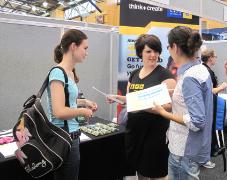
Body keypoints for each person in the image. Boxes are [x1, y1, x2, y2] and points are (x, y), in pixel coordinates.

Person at [108, 34, 176, 180]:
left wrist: (141, 106)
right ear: (140, 53)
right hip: (135, 130)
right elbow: (131, 99)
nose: (153, 55)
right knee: (140, 170)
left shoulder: (165, 75)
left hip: (155, 133)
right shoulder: (134, 74)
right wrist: (119, 98)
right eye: (148, 51)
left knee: (157, 172)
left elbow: (168, 107)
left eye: (156, 51)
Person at [152, 26, 213, 180]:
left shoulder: (190, 77)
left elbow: (197, 121)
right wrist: (174, 93)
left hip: (183, 149)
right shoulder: (199, 69)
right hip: (191, 147)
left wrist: (164, 113)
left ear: (175, 47)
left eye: (168, 46)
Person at [47, 29, 97, 180]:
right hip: (64, 138)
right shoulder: (57, 73)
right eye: (85, 48)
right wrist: (83, 111)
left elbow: (67, 100)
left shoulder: (68, 72)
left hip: (71, 137)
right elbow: (59, 111)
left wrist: (84, 102)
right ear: (74, 46)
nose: (87, 53)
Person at [201, 48, 227, 167]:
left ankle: (209, 151)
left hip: (208, 103)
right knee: (210, 128)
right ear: (210, 57)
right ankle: (208, 153)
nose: (216, 58)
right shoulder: (207, 71)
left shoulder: (204, 69)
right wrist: (222, 87)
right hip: (208, 104)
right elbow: (210, 91)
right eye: (215, 56)